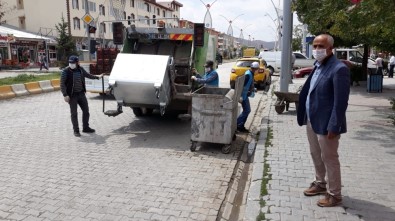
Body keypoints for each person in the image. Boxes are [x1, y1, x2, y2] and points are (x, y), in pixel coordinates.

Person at [296, 34, 350, 207]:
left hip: (328, 124)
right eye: (315, 46)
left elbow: (340, 102)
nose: (317, 49)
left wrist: (334, 125)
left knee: (330, 158)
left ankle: (335, 194)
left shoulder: (338, 69)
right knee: (315, 154)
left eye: (321, 46)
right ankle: (320, 183)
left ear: (330, 49)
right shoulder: (318, 66)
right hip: (312, 120)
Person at [60, 55, 103, 137]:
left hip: (81, 94)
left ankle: (86, 127)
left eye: (73, 63)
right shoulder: (65, 71)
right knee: (74, 113)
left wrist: (97, 77)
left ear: (77, 63)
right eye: (70, 63)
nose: (71, 64)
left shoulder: (80, 69)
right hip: (72, 96)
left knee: (86, 111)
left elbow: (88, 75)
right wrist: (65, 95)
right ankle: (76, 130)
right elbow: (62, 84)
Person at [236, 61, 258, 133]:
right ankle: (236, 123)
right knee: (247, 110)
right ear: (254, 68)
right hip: (243, 96)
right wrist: (240, 96)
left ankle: (241, 126)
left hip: (245, 95)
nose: (256, 70)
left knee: (247, 111)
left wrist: (252, 89)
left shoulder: (250, 74)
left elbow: (249, 85)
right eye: (256, 69)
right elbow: (241, 85)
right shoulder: (248, 75)